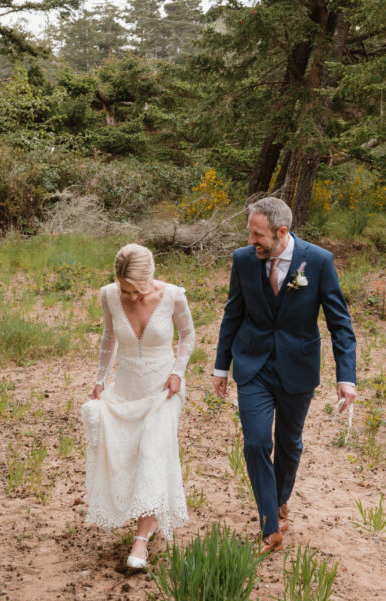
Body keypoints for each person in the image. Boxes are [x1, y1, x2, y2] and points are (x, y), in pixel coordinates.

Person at [213, 197, 357, 555]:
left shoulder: (319, 261)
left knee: (289, 442)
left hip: (298, 367)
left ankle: (279, 502)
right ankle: (270, 526)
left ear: (281, 232)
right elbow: (233, 313)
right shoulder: (243, 260)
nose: (251, 241)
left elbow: (340, 323)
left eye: (258, 235)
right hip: (253, 365)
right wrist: (221, 367)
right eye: (249, 233)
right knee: (257, 442)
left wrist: (347, 377)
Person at [81, 243, 195, 569]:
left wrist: (177, 371)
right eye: (124, 289)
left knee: (151, 453)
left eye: (136, 290)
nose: (130, 297)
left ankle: (140, 542)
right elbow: (108, 338)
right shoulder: (108, 295)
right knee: (126, 453)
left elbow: (188, 335)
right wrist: (101, 379)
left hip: (164, 389)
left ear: (151, 275)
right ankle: (151, 516)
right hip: (128, 387)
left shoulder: (173, 295)